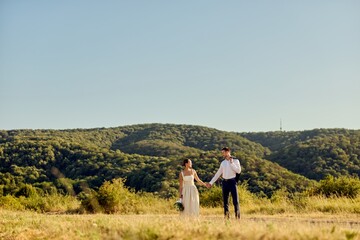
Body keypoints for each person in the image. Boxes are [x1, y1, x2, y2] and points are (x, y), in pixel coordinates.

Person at [206, 147, 241, 219]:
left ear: (228, 152)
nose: (222, 154)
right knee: (225, 201)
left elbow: (238, 171)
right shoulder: (223, 163)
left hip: (232, 181)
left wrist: (231, 163)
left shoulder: (236, 161)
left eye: (223, 152)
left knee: (235, 200)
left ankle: (237, 217)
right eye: (222, 153)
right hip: (225, 182)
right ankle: (226, 217)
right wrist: (211, 183)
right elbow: (218, 173)